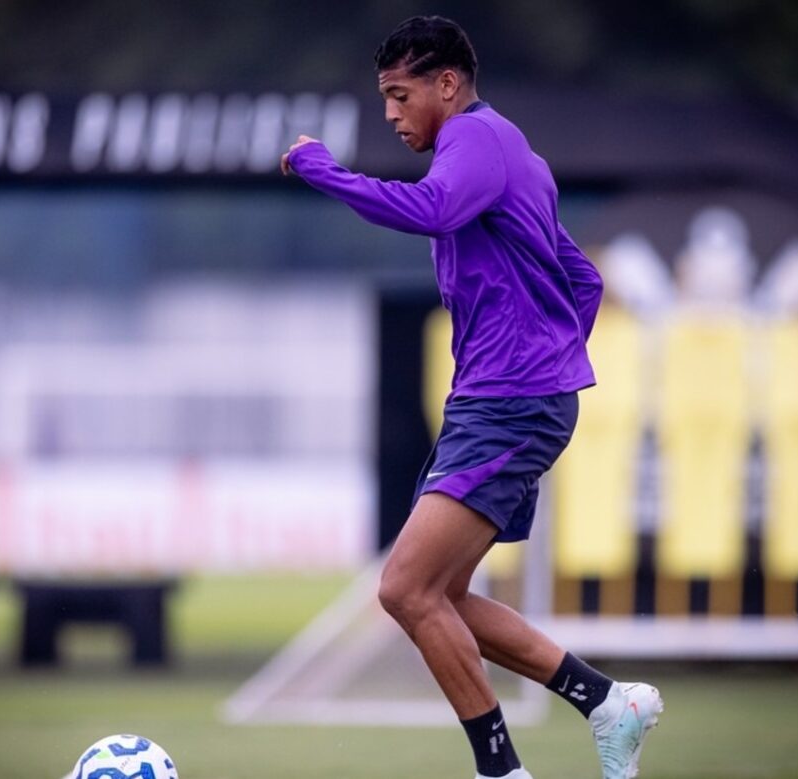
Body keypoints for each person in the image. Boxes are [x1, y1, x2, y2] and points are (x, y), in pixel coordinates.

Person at [281, 15, 662, 779]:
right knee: (441, 593)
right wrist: (548, 352)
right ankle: (606, 701)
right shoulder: (513, 153)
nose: (391, 114)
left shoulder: (475, 141)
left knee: (404, 588)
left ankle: (501, 771)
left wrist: (322, 168)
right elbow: (582, 278)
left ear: (447, 84)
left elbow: (430, 210)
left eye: (400, 95)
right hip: (505, 396)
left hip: (509, 400)